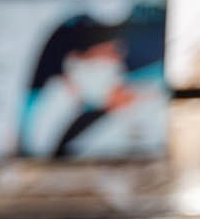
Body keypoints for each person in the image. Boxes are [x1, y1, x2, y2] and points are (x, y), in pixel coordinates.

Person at [19, 13, 168, 160]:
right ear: (74, 60)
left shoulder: (145, 89)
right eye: (108, 53)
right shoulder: (44, 107)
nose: (116, 61)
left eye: (118, 53)